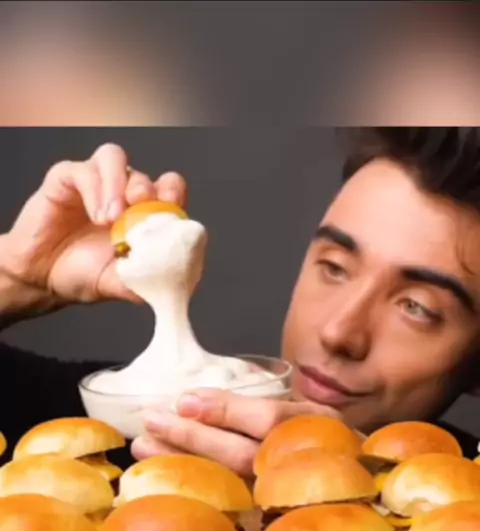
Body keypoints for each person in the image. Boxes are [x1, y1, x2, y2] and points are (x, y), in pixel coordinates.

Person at [1, 129, 480, 472]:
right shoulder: (122, 426)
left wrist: (361, 484)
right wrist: (16, 277)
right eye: (335, 267)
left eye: (417, 307)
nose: (339, 333)